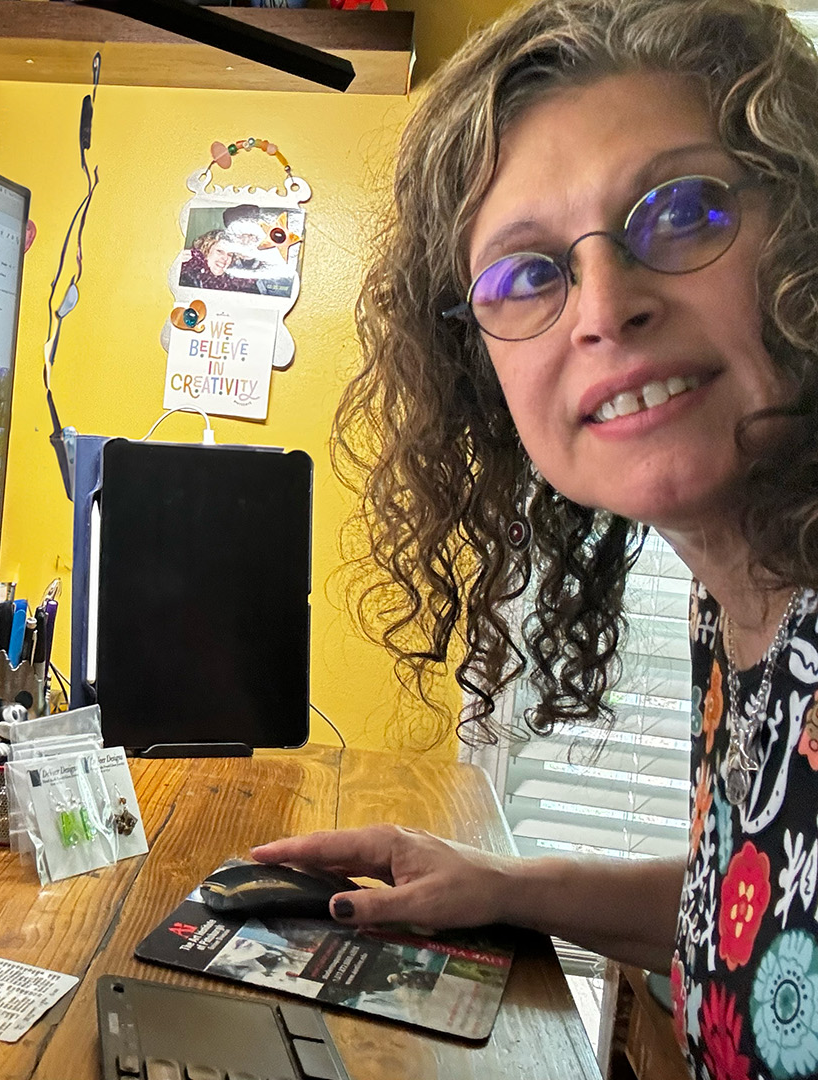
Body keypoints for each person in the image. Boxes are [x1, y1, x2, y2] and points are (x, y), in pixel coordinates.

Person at [252, 1, 818, 1076]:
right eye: (528, 273)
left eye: (681, 212)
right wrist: (502, 887)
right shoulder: (745, 601)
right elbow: (747, 910)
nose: (602, 306)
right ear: (480, 373)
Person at [179, 229, 259, 293]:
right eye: (219, 251)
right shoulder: (185, 275)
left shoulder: (232, 283)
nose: (225, 258)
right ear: (206, 250)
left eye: (230, 254)